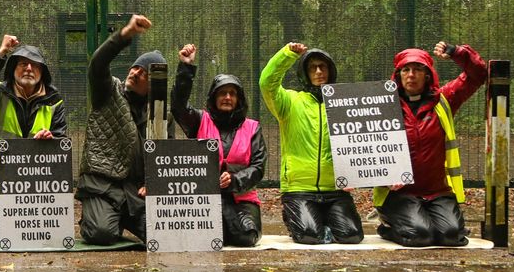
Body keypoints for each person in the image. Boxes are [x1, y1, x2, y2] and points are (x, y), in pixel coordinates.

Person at [373, 42, 487, 247]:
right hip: (400, 194)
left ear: (427, 75)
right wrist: (383, 177)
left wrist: (457, 53)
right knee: (419, 235)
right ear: (398, 76)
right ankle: (387, 229)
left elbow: (478, 75)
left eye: (417, 69)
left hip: (437, 192)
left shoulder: (444, 100)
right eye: (405, 70)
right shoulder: (383, 106)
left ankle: (437, 222)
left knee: (452, 236)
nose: (411, 74)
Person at [261, 42, 363, 244]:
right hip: (299, 188)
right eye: (312, 67)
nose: (318, 71)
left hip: (335, 189)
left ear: (330, 71)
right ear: (304, 73)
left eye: (323, 67)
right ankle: (299, 218)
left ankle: (324, 221)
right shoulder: (290, 102)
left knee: (352, 236)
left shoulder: (344, 105)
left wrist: (356, 175)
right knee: (308, 235)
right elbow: (267, 83)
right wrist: (287, 55)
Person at [0, 34, 67, 242]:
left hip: (39, 185)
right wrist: (1, 53)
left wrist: (52, 140)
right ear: (13, 69)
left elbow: (62, 143)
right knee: (5, 234)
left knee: (39, 235)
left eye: (35, 65)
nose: (29, 69)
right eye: (23, 64)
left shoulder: (54, 101)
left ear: (42, 72)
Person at [171, 44, 267, 247]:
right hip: (204, 199)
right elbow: (178, 106)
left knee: (247, 236)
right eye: (222, 93)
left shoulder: (252, 127)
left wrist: (234, 180)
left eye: (232, 93)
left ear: (238, 99)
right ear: (214, 97)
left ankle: (220, 223)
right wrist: (185, 68)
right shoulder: (200, 120)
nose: (227, 97)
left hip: (242, 199)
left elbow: (258, 167)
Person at [76, 14, 158, 245]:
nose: (135, 73)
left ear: (154, 83)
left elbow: (164, 155)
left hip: (135, 192)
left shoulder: (161, 113)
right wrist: (125, 35)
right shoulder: (109, 91)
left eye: (144, 72)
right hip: (103, 184)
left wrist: (154, 183)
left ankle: (123, 216)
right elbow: (97, 64)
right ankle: (101, 216)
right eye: (135, 68)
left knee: (162, 233)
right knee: (101, 234)